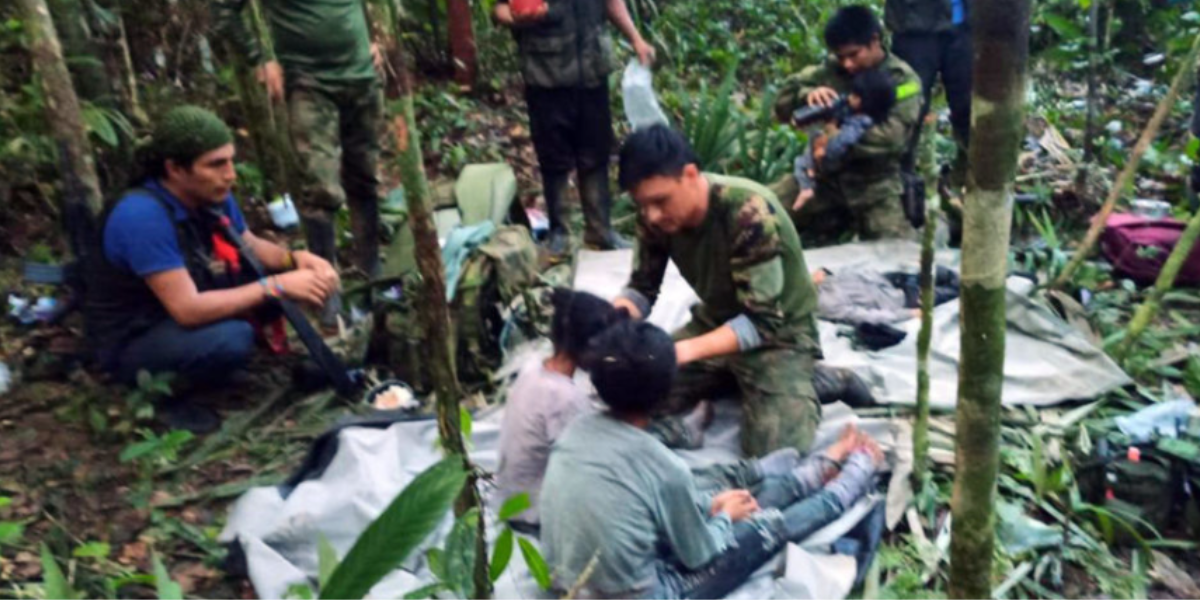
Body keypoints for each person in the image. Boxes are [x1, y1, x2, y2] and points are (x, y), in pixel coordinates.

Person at [539, 320, 883, 599]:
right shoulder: (663, 466)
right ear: (664, 392)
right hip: (651, 593)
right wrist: (722, 519)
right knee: (764, 526)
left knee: (732, 501)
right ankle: (848, 480)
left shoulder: (575, 432)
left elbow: (640, 506)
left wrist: (711, 507)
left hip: (575, 585)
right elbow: (699, 555)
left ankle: (812, 474)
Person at [85, 106, 340, 432]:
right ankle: (164, 395)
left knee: (261, 283)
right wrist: (278, 285)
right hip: (135, 335)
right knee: (232, 338)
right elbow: (187, 309)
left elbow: (247, 244)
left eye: (231, 161)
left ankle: (210, 363)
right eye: (216, 164)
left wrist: (294, 260)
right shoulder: (141, 216)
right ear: (175, 168)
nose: (230, 174)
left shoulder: (210, 193)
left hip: (182, 300)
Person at [612, 125, 823, 457]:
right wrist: (617, 315)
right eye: (642, 205)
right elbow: (642, 287)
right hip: (716, 321)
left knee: (776, 451)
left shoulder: (747, 212)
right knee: (629, 393)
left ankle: (815, 380)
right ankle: (732, 379)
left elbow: (762, 323)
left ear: (691, 175)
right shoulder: (655, 217)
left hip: (781, 334)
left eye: (660, 201)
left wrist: (681, 352)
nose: (652, 215)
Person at [213, 0, 384, 328]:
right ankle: (325, 284)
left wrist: (377, 37)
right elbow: (223, 11)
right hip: (309, 83)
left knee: (364, 174)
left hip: (361, 76)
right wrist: (260, 60)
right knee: (320, 187)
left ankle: (370, 267)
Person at [493, 0, 655, 255]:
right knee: (553, 158)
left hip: (592, 71)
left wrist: (636, 38)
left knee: (595, 154)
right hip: (546, 74)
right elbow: (500, 9)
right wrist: (522, 17)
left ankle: (600, 231)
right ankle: (560, 234)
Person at [773, 5, 922, 246]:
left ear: (874, 40)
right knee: (760, 213)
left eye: (854, 55)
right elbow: (780, 106)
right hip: (823, 180)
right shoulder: (832, 69)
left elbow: (891, 138)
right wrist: (807, 94)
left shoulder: (902, 79)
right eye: (841, 57)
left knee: (901, 258)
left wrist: (832, 139)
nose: (848, 64)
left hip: (875, 186)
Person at [886, 0, 973, 181]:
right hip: (914, 27)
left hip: (968, 24)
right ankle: (900, 187)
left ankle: (970, 182)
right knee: (908, 107)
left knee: (969, 107)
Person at [791, 69, 898, 211]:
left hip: (832, 159)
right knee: (814, 136)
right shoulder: (853, 110)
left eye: (854, 96)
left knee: (800, 163)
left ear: (864, 101)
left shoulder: (860, 122)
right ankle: (810, 169)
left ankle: (806, 187)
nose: (849, 98)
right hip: (829, 155)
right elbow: (838, 106)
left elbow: (843, 141)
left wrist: (824, 151)